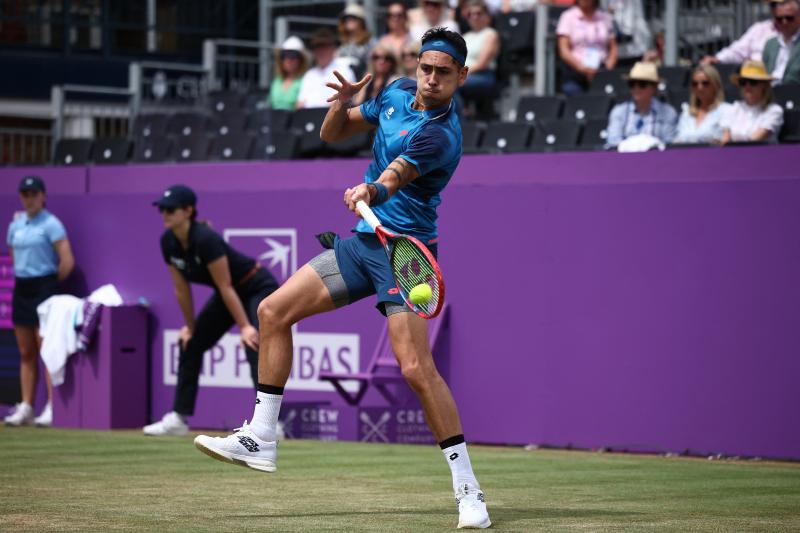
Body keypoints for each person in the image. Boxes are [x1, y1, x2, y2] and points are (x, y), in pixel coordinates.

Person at [194, 27, 492, 530]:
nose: (432, 79)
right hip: (362, 244)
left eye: (444, 72)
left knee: (416, 369)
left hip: (406, 256)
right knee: (271, 311)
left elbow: (394, 176)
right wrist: (342, 104)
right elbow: (332, 134)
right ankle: (262, 437)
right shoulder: (396, 91)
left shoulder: (442, 133)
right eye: (426, 67)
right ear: (416, 65)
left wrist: (370, 191)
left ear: (462, 77)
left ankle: (469, 491)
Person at [144, 185, 280, 436]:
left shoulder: (206, 239)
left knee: (253, 344)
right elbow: (181, 289)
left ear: (188, 211)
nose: (164, 213)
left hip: (255, 286)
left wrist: (245, 327)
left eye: (170, 209)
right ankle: (178, 418)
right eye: (162, 209)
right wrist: (191, 327)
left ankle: (269, 424)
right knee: (191, 343)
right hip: (228, 294)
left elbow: (226, 285)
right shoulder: (167, 242)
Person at [4, 176, 74, 427]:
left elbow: (66, 260)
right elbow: (13, 255)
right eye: (24, 194)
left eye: (33, 194)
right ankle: (26, 406)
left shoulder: (52, 224)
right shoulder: (16, 225)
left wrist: (50, 283)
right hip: (22, 287)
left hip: (45, 287)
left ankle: (53, 407)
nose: (29, 198)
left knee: (46, 349)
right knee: (25, 351)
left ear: (43, 196)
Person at [606, 61, 678, 147]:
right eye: (632, 84)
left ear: (654, 88)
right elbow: (613, 142)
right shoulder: (619, 111)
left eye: (642, 84)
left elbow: (669, 144)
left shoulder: (668, 112)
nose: (636, 88)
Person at [556, 0, 618, 95]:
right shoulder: (568, 17)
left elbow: (613, 47)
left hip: (601, 70)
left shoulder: (605, 18)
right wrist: (583, 69)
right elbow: (564, 50)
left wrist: (607, 69)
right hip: (575, 72)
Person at [701, 0, 785, 65]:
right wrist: (717, 59)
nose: (778, 8)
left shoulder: (797, 34)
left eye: (783, 4)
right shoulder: (759, 29)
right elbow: (738, 50)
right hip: (754, 79)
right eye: (773, 4)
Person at [720, 60, 784, 144]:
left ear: (764, 85)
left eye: (753, 82)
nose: (747, 86)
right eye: (743, 82)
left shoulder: (774, 111)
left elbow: (754, 141)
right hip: (734, 155)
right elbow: (725, 140)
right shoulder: (734, 108)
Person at [297, 28, 357, 109]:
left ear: (333, 48)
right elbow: (300, 104)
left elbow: (346, 100)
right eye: (317, 46)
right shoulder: (309, 75)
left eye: (325, 46)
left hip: (335, 117)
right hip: (308, 118)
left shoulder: (345, 71)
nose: (321, 50)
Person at [459, 0, 501, 118]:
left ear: (487, 16)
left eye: (478, 13)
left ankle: (460, 119)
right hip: (463, 75)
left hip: (482, 75)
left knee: (450, 84)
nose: (474, 17)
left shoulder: (491, 34)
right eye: (470, 14)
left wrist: (457, 75)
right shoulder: (465, 36)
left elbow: (482, 64)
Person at [674, 65, 731, 144]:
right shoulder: (687, 113)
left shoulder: (726, 110)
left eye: (705, 83)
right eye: (695, 84)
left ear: (716, 85)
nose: (699, 87)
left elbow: (726, 141)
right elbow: (678, 141)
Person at [762, 0, 800, 85]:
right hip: (770, 92)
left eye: (789, 18)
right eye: (779, 19)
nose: (784, 22)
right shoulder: (770, 44)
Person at [337, 3, 378, 79]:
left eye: (353, 18)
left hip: (363, 82)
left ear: (361, 21)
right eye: (346, 18)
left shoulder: (370, 41)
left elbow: (373, 65)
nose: (348, 21)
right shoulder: (342, 42)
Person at [269, 36, 309, 111]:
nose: (288, 60)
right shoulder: (277, 81)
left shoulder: (306, 80)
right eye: (284, 55)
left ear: (301, 59)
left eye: (293, 55)